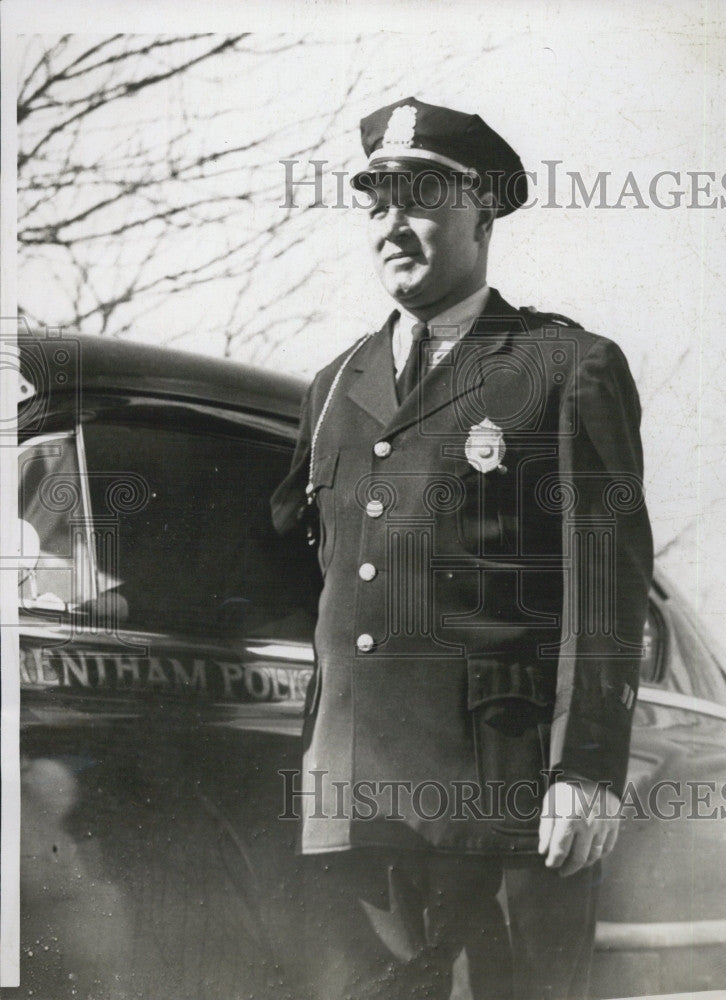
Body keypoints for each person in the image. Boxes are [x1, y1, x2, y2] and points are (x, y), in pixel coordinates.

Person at [271, 96, 653, 1000]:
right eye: (375, 202)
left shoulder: (563, 366)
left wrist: (587, 770)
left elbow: (606, 585)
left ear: (482, 213)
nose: (392, 223)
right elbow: (311, 571)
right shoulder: (335, 384)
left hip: (507, 796)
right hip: (359, 801)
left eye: (419, 196)